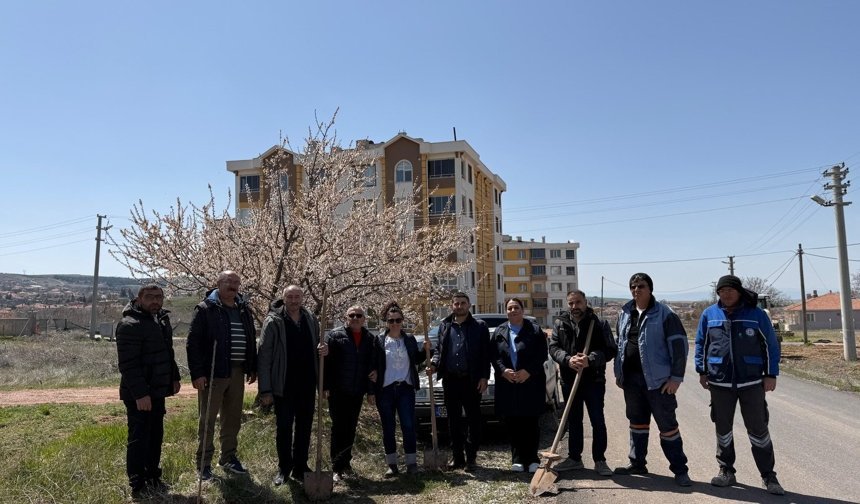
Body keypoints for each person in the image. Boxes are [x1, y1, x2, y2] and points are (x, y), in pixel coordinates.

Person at [694, 275, 785, 495]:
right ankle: (726, 470)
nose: (726, 294)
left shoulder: (756, 314)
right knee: (723, 429)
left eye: (730, 290)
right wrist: (702, 370)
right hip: (719, 381)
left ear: (739, 292)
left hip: (751, 381)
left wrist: (771, 374)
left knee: (758, 429)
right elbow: (701, 344)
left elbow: (771, 345)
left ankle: (768, 475)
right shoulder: (709, 314)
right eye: (722, 290)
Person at [613, 273, 692, 486]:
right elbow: (620, 344)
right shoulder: (625, 313)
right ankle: (637, 463)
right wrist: (619, 373)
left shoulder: (665, 314)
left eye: (641, 286)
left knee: (668, 427)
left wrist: (676, 378)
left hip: (659, 383)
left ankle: (680, 470)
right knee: (637, 423)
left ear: (650, 289)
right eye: (633, 286)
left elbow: (679, 347)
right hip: (632, 381)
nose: (636, 290)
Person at [187, 270, 258, 481]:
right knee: (208, 420)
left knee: (233, 418)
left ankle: (228, 457)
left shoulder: (244, 309)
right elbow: (193, 343)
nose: (233, 285)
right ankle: (203, 463)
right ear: (218, 283)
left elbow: (250, 338)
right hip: (213, 372)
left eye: (236, 282)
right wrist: (197, 373)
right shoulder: (206, 309)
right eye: (228, 281)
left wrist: (252, 366)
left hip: (237, 371)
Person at [257, 285, 329, 486]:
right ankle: (284, 468)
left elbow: (318, 347)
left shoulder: (310, 319)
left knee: (305, 428)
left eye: (297, 296)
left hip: (307, 384)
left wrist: (323, 349)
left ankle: (300, 466)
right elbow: (264, 356)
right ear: (284, 298)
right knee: (284, 427)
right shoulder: (274, 321)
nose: (294, 300)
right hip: (284, 385)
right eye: (290, 296)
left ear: (302, 298)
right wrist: (265, 389)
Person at [116, 284, 181, 498]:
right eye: (150, 297)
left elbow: (167, 352)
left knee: (155, 435)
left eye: (159, 297)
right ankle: (137, 483)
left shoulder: (161, 319)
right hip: (139, 394)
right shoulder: (129, 324)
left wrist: (174, 377)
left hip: (158, 389)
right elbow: (128, 365)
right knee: (139, 436)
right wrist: (140, 394)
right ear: (139, 299)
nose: (155, 301)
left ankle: (153, 476)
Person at [549, 290, 617, 477]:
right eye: (571, 303)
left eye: (578, 302)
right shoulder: (560, 323)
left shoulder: (599, 323)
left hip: (593, 380)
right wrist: (568, 359)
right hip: (569, 380)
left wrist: (591, 359)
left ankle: (600, 460)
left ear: (585, 302)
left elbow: (610, 350)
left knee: (597, 420)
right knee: (574, 420)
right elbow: (553, 347)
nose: (574, 306)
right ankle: (574, 458)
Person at [427, 291, 491, 472]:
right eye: (456, 303)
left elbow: (485, 354)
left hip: (471, 380)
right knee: (453, 421)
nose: (460, 306)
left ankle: (471, 458)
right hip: (450, 380)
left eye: (463, 303)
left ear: (469, 305)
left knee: (473, 420)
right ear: (452, 306)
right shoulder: (445, 325)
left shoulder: (479, 326)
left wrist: (484, 376)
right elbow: (439, 350)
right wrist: (433, 365)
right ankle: (457, 458)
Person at [490, 297, 547, 473]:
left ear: (522, 310)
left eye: (516, 307)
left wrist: (528, 371)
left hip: (530, 382)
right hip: (508, 383)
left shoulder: (534, 330)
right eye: (509, 308)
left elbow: (542, 354)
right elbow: (494, 355)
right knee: (513, 422)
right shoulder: (499, 331)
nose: (513, 310)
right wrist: (503, 370)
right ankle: (517, 459)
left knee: (530, 421)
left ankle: (532, 459)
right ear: (506, 311)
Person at [369, 301, 424, 477]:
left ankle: (411, 463)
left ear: (402, 321)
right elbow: (372, 365)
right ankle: (391, 464)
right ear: (386, 322)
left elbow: (417, 359)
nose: (394, 323)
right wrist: (371, 388)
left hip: (405, 388)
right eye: (391, 320)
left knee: (408, 425)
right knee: (388, 427)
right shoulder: (379, 341)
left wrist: (426, 351)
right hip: (385, 389)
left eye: (398, 320)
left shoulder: (409, 340)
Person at [324, 304, 376, 482]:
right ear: (346, 318)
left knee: (351, 428)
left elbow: (371, 367)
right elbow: (326, 364)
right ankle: (336, 466)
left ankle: (346, 464)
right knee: (338, 427)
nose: (355, 318)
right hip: (338, 390)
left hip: (357, 390)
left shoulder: (369, 338)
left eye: (359, 315)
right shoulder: (334, 336)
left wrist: (370, 391)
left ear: (364, 319)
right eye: (351, 315)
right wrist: (324, 387)